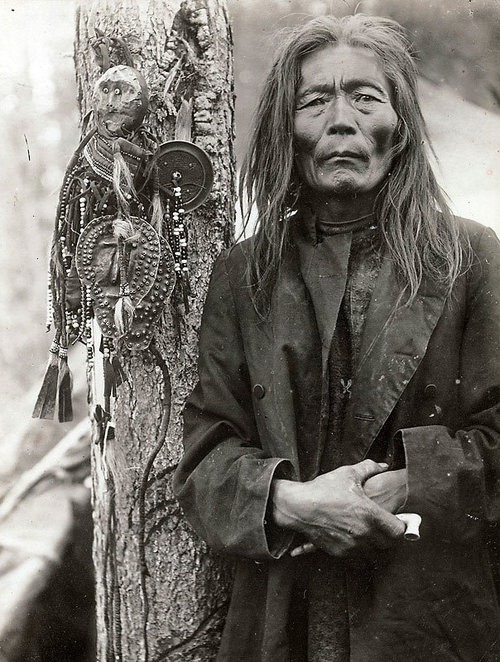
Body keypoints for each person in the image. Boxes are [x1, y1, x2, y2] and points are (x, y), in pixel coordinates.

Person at [173, 14, 500, 662]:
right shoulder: (245, 274)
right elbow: (205, 458)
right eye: (315, 100)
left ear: (399, 125)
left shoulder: (472, 258)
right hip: (281, 620)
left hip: (427, 617)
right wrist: (292, 501)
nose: (342, 120)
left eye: (365, 97)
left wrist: (411, 483)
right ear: (284, 131)